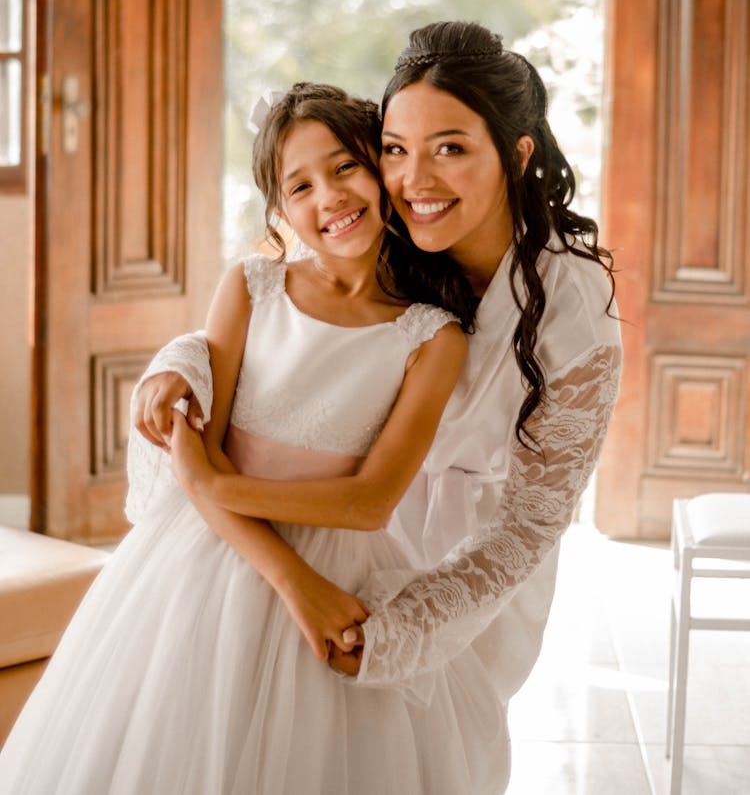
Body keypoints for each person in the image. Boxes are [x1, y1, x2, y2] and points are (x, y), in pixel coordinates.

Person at [135, 21, 622, 792]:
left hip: (469, 565)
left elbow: (532, 521)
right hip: (334, 530)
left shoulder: (573, 302)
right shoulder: (386, 231)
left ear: (517, 153)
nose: (416, 178)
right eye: (396, 149)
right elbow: (275, 325)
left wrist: (403, 629)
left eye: (452, 148)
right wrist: (176, 366)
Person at [0, 82, 506, 795]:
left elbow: (368, 503)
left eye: (343, 167)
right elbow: (191, 443)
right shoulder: (251, 287)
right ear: (280, 210)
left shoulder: (433, 335)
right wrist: (296, 584)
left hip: (341, 561)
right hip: (206, 558)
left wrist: (214, 483)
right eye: (299, 185)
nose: (328, 196)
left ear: (381, 168)